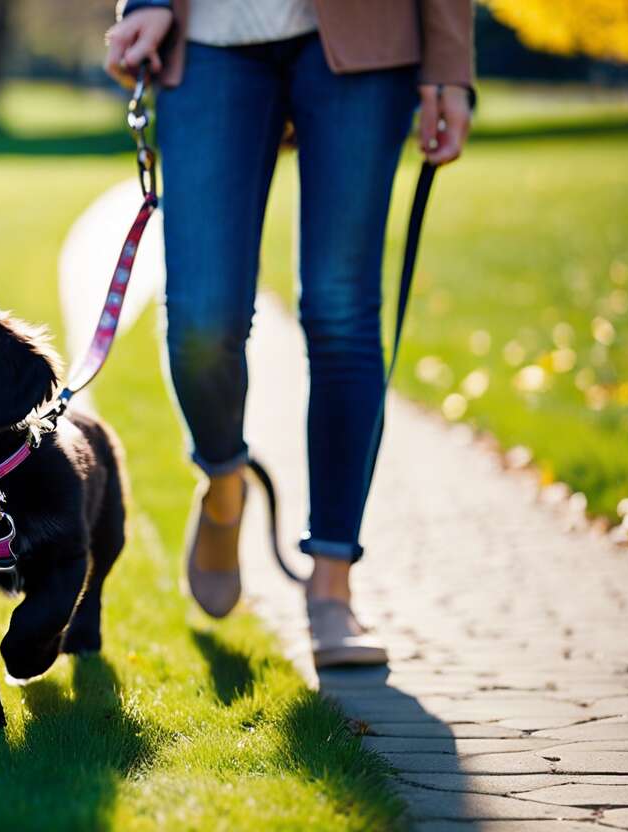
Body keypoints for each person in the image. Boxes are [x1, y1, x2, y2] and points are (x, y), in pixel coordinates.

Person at [105, 1, 473, 667]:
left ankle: (331, 587)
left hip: (366, 42)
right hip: (207, 40)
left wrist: (449, 62)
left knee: (341, 310)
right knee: (201, 317)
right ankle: (224, 484)